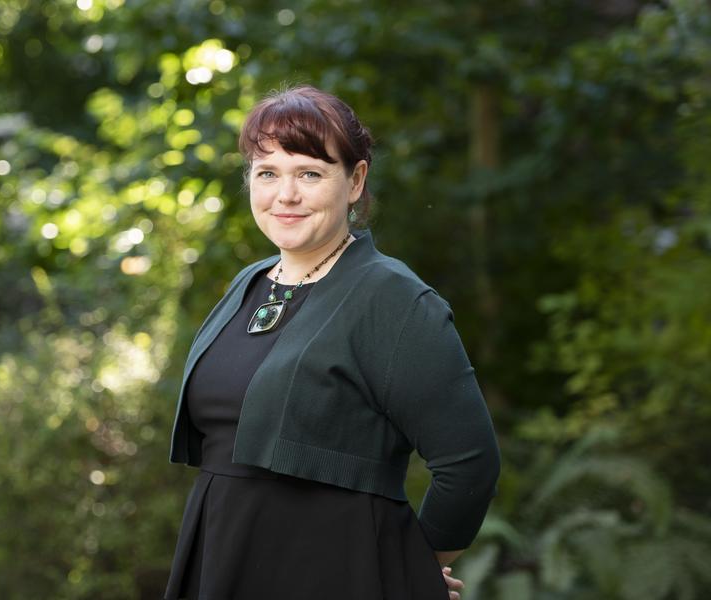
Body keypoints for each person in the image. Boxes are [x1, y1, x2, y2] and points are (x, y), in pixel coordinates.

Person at [163, 85, 501, 600]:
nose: (286, 195)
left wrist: (410, 567)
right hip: (223, 561)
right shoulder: (249, 284)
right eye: (268, 173)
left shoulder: (392, 298)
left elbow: (469, 462)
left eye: (310, 174)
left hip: (338, 573)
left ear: (355, 181)